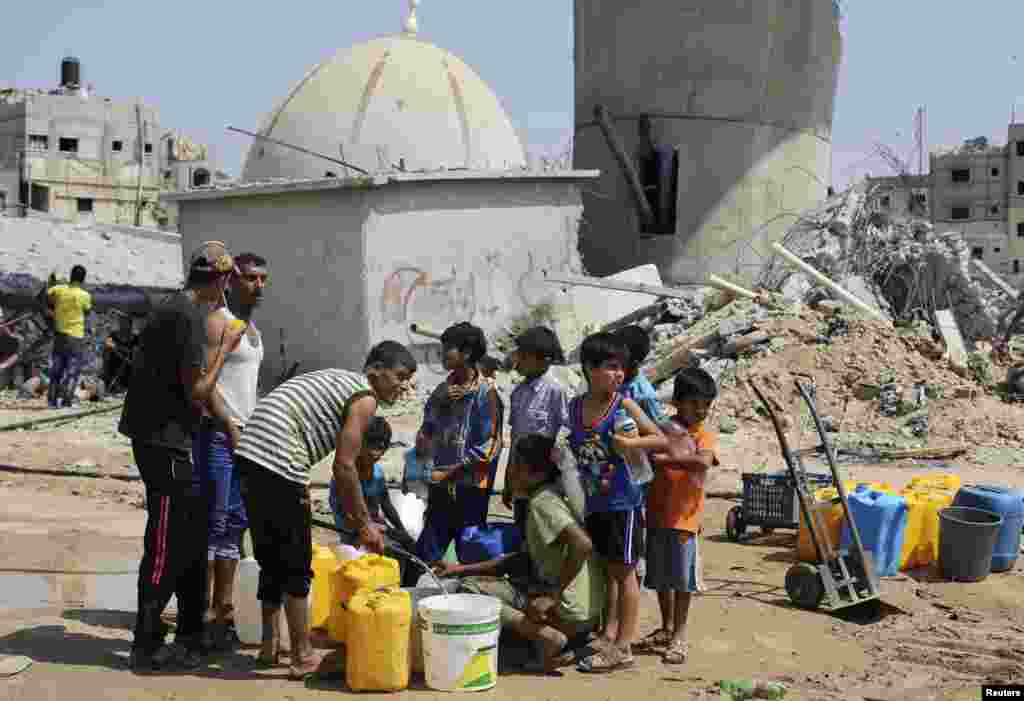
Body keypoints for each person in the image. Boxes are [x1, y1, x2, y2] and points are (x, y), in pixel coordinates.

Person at [234, 342, 417, 679]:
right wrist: (365, 524)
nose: (403, 386)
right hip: (279, 458)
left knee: (271, 556)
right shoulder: (365, 397)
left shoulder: (341, 381)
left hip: (249, 454)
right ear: (376, 370)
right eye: (400, 376)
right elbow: (345, 466)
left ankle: (269, 645)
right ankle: (302, 656)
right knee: (295, 560)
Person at [118, 242, 245, 672]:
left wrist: (229, 426)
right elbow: (198, 391)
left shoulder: (176, 308)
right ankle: (146, 643)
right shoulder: (188, 318)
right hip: (164, 443)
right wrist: (225, 348)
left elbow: (197, 389)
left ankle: (191, 634)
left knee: (191, 540)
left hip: (172, 441)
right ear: (222, 281)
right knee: (166, 543)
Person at [437, 434, 604, 673]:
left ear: (535, 472)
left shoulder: (542, 503)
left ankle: (546, 637)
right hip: (586, 616)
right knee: (499, 583)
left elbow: (582, 544)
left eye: (515, 466)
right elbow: (519, 560)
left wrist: (553, 596)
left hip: (568, 612)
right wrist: (459, 569)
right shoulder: (553, 496)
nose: (510, 473)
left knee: (469, 590)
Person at [568, 331, 666, 673]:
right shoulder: (576, 407)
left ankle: (623, 646)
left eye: (620, 367)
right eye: (610, 367)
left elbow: (660, 439)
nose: (619, 374)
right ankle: (609, 635)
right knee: (610, 570)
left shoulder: (624, 405)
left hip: (623, 504)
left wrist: (632, 446)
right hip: (595, 501)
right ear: (589, 369)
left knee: (625, 573)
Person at [194, 251, 268, 651]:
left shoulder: (252, 329)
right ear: (232, 280)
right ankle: (199, 615)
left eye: (263, 279)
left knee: (236, 524)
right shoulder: (217, 322)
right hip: (219, 435)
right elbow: (206, 385)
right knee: (213, 522)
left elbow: (247, 387)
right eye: (251, 278)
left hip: (245, 436)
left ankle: (222, 609)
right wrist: (230, 426)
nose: (259, 286)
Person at [636, 367, 719, 665]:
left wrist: (666, 459)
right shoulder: (662, 429)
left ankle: (680, 635)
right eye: (695, 404)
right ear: (677, 402)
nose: (701, 411)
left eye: (706, 405)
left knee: (683, 581)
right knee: (661, 576)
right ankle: (666, 627)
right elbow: (644, 456)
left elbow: (703, 462)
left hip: (685, 519)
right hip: (657, 515)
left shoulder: (703, 435)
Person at [413, 322, 503, 574]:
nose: (442, 354)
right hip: (441, 486)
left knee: (469, 551)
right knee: (426, 553)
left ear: (467, 353)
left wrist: (453, 471)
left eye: (447, 349)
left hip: (470, 489)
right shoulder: (442, 391)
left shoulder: (486, 393)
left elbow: (491, 445)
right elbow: (427, 430)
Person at [503, 327, 570, 535]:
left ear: (544, 359)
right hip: (521, 481)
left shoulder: (557, 390)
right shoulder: (518, 393)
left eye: (524, 356)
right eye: (518, 354)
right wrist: (509, 478)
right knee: (523, 535)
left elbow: (567, 434)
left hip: (545, 484)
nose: (518, 360)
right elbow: (515, 438)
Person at [328, 416, 416, 552]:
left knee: (411, 546)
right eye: (371, 446)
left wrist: (402, 531)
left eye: (381, 448)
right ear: (360, 443)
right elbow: (348, 518)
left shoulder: (377, 472)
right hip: (354, 536)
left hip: (378, 528)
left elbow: (386, 505)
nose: (375, 453)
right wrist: (381, 529)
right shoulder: (344, 476)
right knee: (392, 552)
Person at [46, 265, 93, 408]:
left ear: (71, 276)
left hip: (60, 335)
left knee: (56, 371)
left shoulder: (58, 289)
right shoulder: (85, 295)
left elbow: (47, 295)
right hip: (76, 337)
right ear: (83, 279)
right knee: (72, 372)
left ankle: (52, 402)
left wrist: (53, 311)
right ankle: (66, 402)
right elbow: (87, 311)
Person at [613, 325, 666, 424]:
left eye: (618, 358)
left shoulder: (644, 396)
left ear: (633, 363)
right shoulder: (612, 378)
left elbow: (660, 427)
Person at [101, 312, 139, 393]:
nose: (123, 325)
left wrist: (117, 348)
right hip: (113, 373)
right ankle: (110, 383)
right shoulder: (112, 336)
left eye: (126, 322)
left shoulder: (136, 339)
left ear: (130, 324)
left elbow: (136, 357)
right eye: (121, 322)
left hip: (128, 373)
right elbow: (107, 346)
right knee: (107, 352)